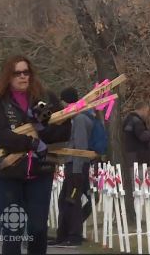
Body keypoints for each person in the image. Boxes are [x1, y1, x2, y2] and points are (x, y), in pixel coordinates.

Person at [0, 55, 71, 255]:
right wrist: (31, 142)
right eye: (17, 73)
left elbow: (64, 130)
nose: (23, 77)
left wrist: (41, 127)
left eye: (26, 72)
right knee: (13, 230)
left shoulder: (45, 98)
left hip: (40, 172)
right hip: (11, 173)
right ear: (8, 76)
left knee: (38, 228)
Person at [50, 87, 92, 247]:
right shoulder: (76, 117)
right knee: (64, 200)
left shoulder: (80, 118)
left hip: (77, 166)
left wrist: (76, 169)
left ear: (65, 101)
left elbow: (80, 146)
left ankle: (74, 236)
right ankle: (63, 234)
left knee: (72, 201)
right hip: (72, 164)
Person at [122, 101, 150, 218]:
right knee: (139, 187)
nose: (147, 114)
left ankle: (136, 213)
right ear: (143, 109)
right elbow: (143, 136)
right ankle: (139, 215)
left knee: (136, 186)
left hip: (131, 157)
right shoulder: (137, 122)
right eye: (147, 111)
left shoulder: (127, 121)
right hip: (139, 158)